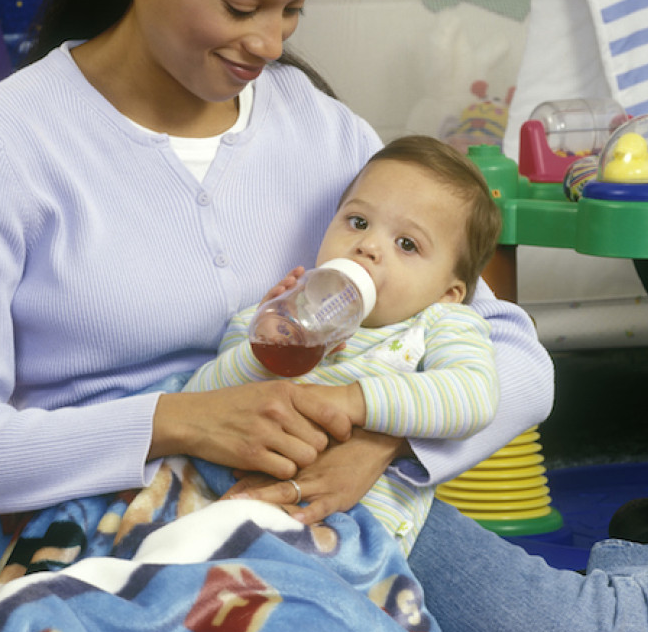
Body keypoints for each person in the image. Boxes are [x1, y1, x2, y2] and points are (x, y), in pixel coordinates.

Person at [0, 0, 648, 632]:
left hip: (331, 496)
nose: (269, 44)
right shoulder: (1, 143)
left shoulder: (317, 129)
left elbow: (518, 361)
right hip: (104, 513)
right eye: (242, 6)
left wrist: (385, 443)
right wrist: (179, 422)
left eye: (294, 7)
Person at [184, 135, 502, 556]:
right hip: (240, 509)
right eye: (358, 222)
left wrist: (354, 401)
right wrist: (261, 353)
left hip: (357, 535)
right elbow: (198, 400)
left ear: (448, 292)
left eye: (406, 244)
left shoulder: (439, 322)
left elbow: (472, 396)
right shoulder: (274, 315)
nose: (368, 246)